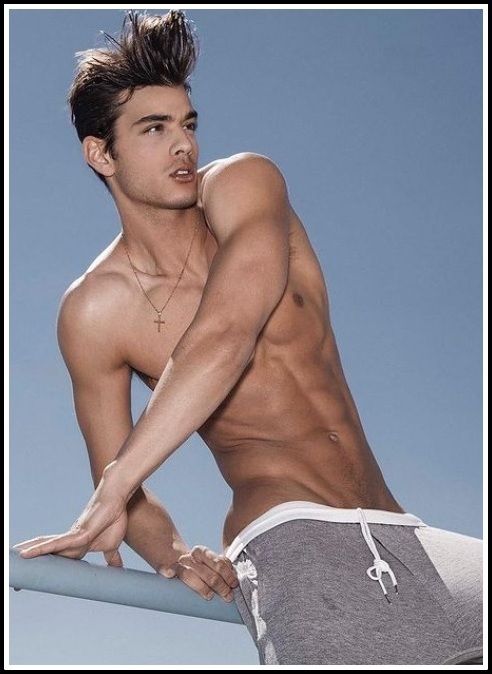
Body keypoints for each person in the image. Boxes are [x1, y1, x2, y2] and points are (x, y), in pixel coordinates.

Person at [15, 10, 482, 666]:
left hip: (403, 529)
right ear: (101, 154)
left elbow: (226, 332)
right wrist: (172, 553)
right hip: (290, 539)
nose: (183, 144)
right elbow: (117, 477)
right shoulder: (95, 312)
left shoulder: (246, 185)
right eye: (154, 129)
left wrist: (115, 486)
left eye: (188, 124)